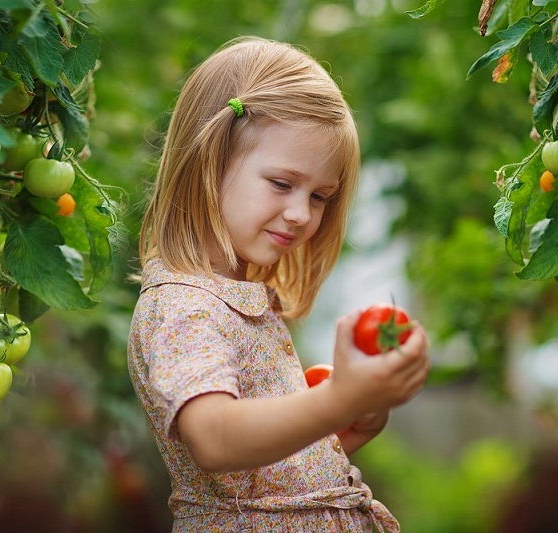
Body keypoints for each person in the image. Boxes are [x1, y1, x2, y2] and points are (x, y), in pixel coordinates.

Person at [127, 36, 430, 532]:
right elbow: (216, 441)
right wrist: (336, 401)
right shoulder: (185, 308)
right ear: (210, 159)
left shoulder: (233, 301)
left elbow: (266, 480)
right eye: (283, 184)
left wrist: (346, 429)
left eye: (320, 196)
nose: (300, 214)